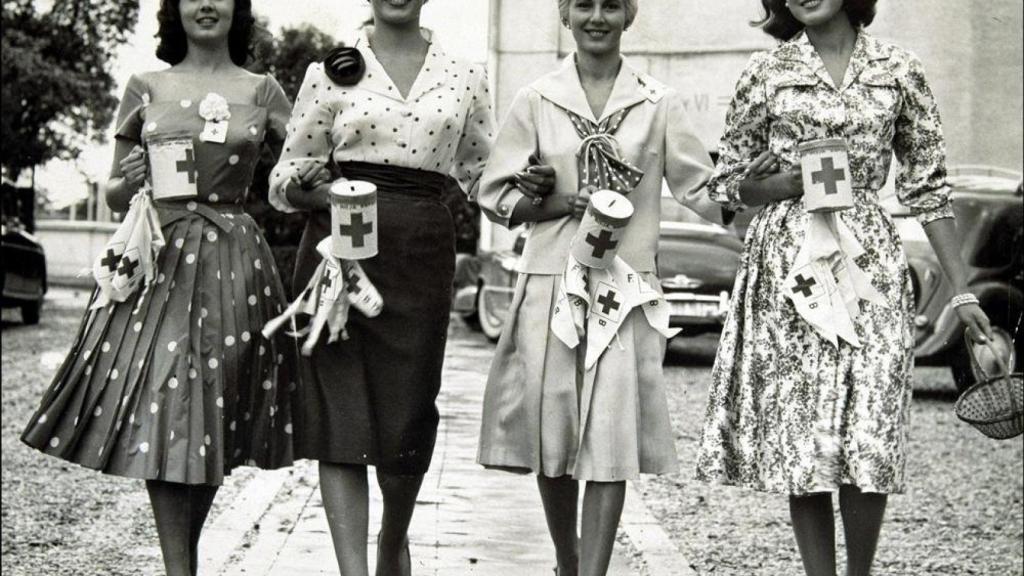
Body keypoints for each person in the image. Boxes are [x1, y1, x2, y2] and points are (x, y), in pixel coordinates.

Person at [695, 1, 994, 575]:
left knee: (869, 431)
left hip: (870, 264)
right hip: (789, 265)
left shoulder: (899, 69)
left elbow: (929, 189)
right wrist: (775, 182)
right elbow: (728, 187)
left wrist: (962, 292)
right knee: (805, 435)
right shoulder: (766, 72)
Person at [21, 1, 297, 575]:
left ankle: (182, 564)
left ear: (236, 9)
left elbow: (296, 172)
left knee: (215, 413)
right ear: (174, 10)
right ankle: (180, 571)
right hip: (158, 260)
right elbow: (115, 195)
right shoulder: (144, 84)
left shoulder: (264, 89)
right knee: (172, 406)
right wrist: (132, 179)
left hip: (235, 261)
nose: (205, 4)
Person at [475, 1, 727, 574]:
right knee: (554, 431)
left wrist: (757, 194)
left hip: (625, 290)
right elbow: (495, 194)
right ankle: (568, 559)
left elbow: (701, 187)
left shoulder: (657, 103)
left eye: (610, 4)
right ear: (565, 15)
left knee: (611, 435)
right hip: (550, 283)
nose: (597, 16)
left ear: (628, 15)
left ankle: (594, 571)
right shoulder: (536, 99)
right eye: (582, 4)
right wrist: (546, 197)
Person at [266, 1, 495, 573]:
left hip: (420, 256)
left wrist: (540, 186)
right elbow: (286, 175)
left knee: (408, 417)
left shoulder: (466, 75)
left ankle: (394, 541)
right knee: (337, 418)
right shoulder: (329, 70)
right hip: (338, 256)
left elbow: (485, 174)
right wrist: (311, 190)